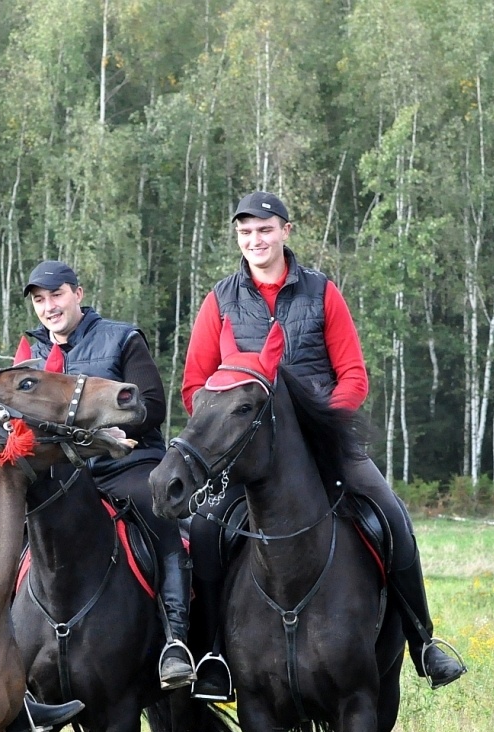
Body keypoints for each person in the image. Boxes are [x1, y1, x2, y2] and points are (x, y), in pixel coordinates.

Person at [180, 191, 466, 698]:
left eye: (264, 230)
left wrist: (323, 427)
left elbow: (353, 374)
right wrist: (222, 429)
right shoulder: (220, 300)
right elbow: (195, 385)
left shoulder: (321, 292)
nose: (255, 241)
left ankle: (423, 641)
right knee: (204, 530)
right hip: (246, 449)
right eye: (246, 233)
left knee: (390, 512)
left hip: (323, 444)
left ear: (286, 231)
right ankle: (212, 656)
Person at [14, 260, 197, 689]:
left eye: (56, 295)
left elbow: (151, 404)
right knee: (11, 538)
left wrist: (107, 430)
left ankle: (176, 641)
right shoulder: (30, 354)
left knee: (159, 516)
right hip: (61, 480)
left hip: (125, 466)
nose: (48, 307)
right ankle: (6, 661)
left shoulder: (122, 338)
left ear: (78, 293)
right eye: (39, 300)